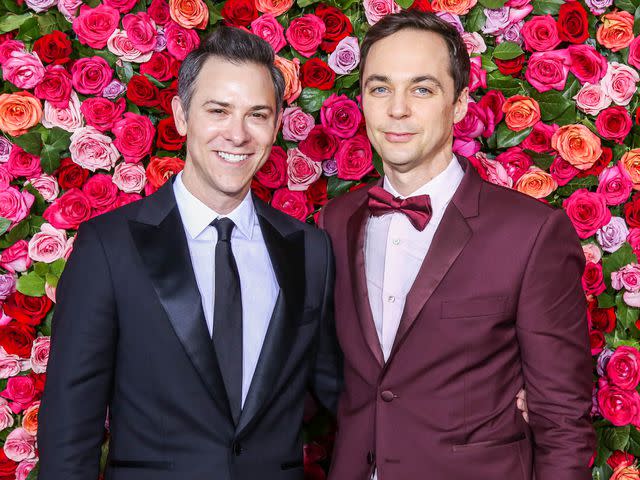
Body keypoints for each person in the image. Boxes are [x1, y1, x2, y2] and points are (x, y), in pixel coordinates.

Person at [37, 26, 342, 480]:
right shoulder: (109, 245)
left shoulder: (310, 249)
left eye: (257, 115)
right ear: (182, 116)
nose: (237, 134)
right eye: (218, 110)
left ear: (276, 125)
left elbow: (341, 391)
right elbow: (69, 427)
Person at [319, 10, 595, 480]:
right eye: (380, 87)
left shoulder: (530, 232)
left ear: (461, 104)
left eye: (422, 89)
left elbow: (563, 423)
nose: (397, 109)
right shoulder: (334, 221)